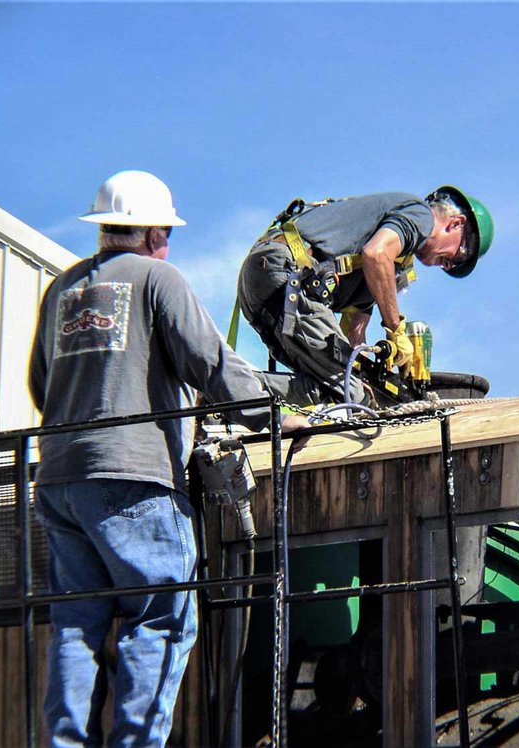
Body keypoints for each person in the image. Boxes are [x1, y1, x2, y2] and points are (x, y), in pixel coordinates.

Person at [28, 170, 310, 747]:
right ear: (154, 231)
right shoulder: (159, 279)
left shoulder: (62, 291)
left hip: (58, 479)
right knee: (159, 619)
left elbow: (41, 385)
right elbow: (209, 362)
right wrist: (274, 415)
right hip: (134, 480)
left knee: (75, 627)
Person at [238, 188, 494, 404]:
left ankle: (227, 389)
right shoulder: (419, 215)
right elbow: (377, 254)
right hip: (286, 274)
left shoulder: (383, 272)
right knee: (352, 393)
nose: (450, 265)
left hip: (267, 283)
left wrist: (374, 376)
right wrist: (395, 330)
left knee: (333, 391)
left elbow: (352, 339)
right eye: (461, 254)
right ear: (456, 223)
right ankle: (226, 385)